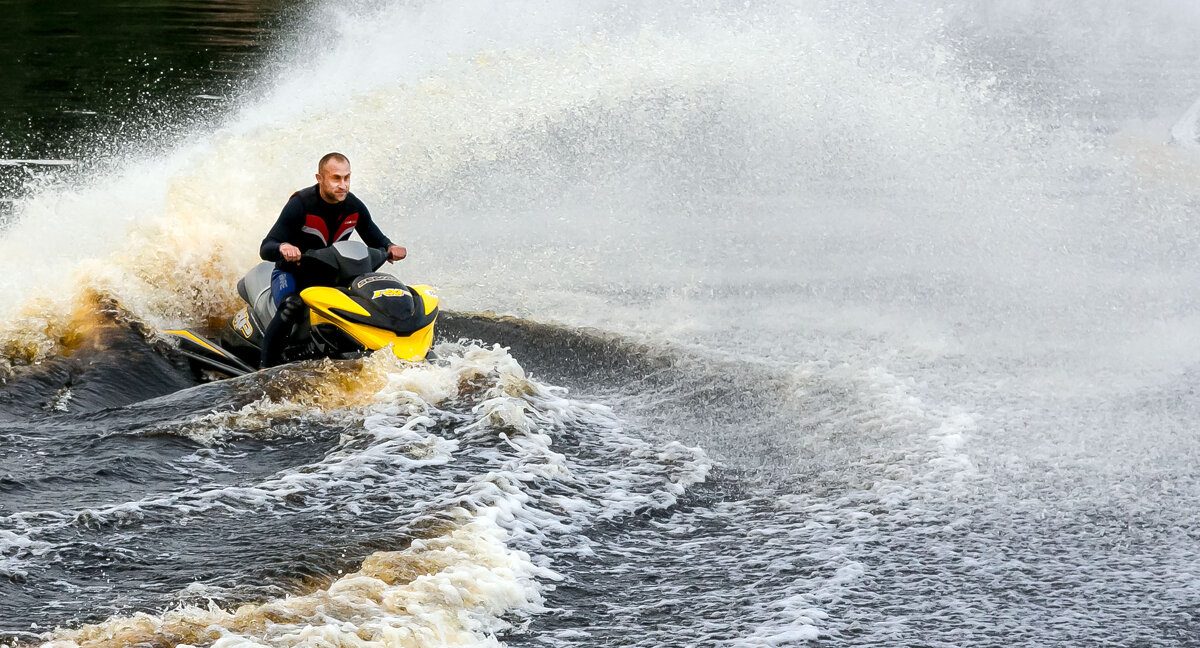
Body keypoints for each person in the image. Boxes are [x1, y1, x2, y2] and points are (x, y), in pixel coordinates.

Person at [257, 152, 407, 367]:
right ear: (320, 178)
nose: (343, 185)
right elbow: (266, 247)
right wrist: (284, 247)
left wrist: (390, 247)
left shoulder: (353, 206)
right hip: (293, 274)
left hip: (332, 276)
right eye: (336, 178)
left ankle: (385, 357)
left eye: (347, 178)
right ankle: (265, 368)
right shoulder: (300, 203)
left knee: (370, 302)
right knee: (292, 306)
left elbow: (375, 236)